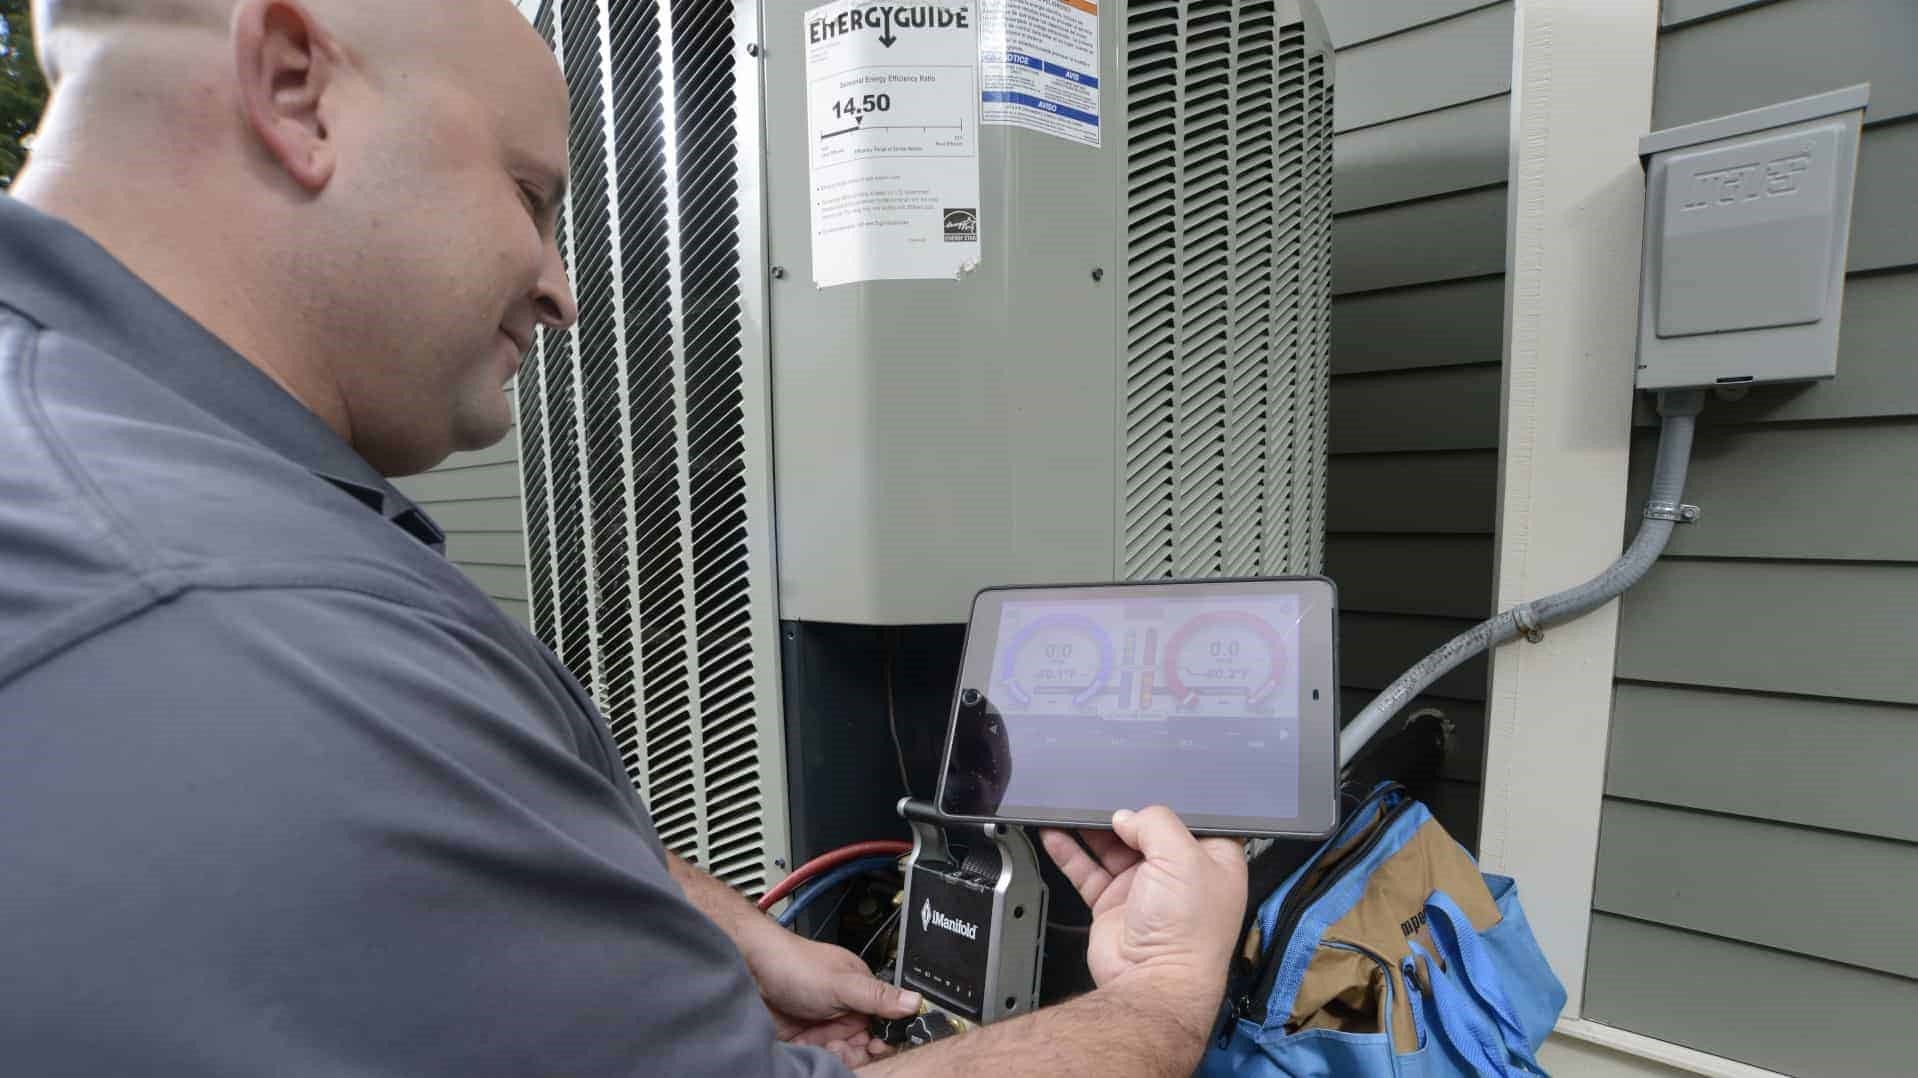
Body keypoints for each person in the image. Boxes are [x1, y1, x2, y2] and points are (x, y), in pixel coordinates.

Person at [0, 1, 1248, 1074]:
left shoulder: (142, 461)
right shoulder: (238, 615)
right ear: (292, 85)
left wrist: (711, 932)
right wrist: (1161, 992)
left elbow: (435, 848)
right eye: (531, 192)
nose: (561, 285)